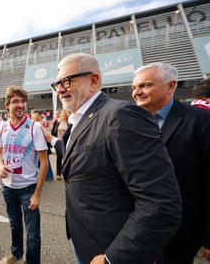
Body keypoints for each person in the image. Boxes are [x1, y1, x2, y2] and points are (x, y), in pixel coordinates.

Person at [44, 53, 182, 263]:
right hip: (85, 239)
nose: (60, 89)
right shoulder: (76, 121)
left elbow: (160, 202)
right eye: (57, 84)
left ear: (93, 80)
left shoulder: (120, 116)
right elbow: (81, 155)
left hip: (113, 247)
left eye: (67, 81)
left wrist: (114, 258)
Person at [132, 62, 210, 263]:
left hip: (182, 230)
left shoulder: (201, 119)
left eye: (145, 86)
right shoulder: (130, 122)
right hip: (137, 227)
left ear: (170, 86)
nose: (137, 92)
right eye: (134, 88)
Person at [0, 86, 48, 264]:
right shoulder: (2, 127)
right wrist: (1, 166)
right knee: (14, 225)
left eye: (23, 101)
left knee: (33, 234)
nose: (20, 105)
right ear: (7, 105)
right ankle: (16, 253)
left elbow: (44, 162)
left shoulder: (34, 127)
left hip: (28, 189)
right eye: (16, 101)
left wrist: (38, 194)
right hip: (8, 188)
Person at [31, 112, 54, 182]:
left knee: (38, 162)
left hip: (39, 145)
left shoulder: (35, 125)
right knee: (46, 162)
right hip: (45, 145)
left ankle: (40, 177)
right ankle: (49, 176)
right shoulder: (42, 124)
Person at [50, 109, 69, 180]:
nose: (63, 115)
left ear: (67, 115)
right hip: (58, 142)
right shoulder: (57, 122)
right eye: (62, 114)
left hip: (66, 142)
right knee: (59, 157)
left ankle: (67, 173)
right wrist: (52, 141)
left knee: (66, 158)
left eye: (65, 114)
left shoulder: (69, 123)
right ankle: (58, 174)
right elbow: (53, 131)